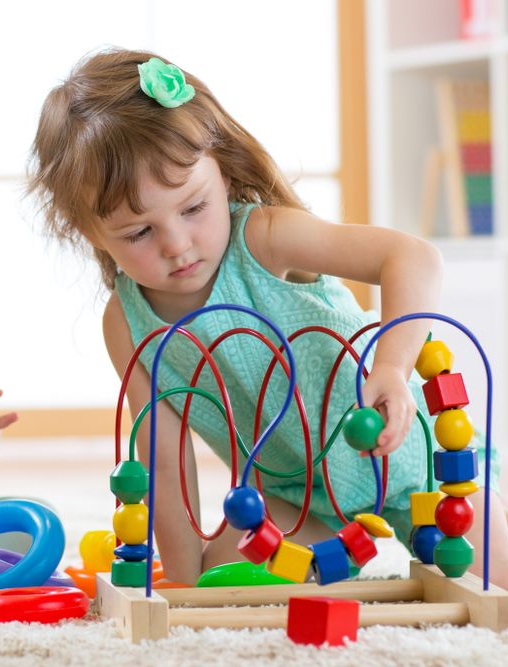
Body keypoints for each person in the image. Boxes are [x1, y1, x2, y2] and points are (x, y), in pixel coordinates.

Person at [28, 48, 508, 587]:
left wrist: (392, 369)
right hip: (296, 504)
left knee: (494, 584)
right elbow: (166, 464)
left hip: (418, 469)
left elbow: (414, 257)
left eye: (193, 208)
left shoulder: (263, 236)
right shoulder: (127, 322)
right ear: (86, 232)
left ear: (224, 174)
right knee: (216, 575)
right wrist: (181, 591)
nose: (178, 245)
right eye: (139, 233)